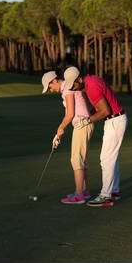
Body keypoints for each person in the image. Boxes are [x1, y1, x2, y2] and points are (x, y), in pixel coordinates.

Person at [63, 67, 127, 207]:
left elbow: (105, 110)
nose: (72, 88)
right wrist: (88, 116)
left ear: (79, 79)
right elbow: (98, 106)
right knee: (111, 158)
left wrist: (87, 120)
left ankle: (105, 196)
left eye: (73, 85)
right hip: (115, 119)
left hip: (114, 120)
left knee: (106, 159)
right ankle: (114, 191)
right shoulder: (92, 80)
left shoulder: (91, 86)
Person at [42, 69, 94, 204]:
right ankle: (84, 191)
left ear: (54, 81)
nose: (50, 90)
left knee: (77, 159)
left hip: (82, 124)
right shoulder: (67, 87)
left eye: (50, 86)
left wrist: (60, 128)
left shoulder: (67, 89)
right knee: (81, 159)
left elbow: (70, 114)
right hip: (84, 123)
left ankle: (79, 195)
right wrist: (60, 130)